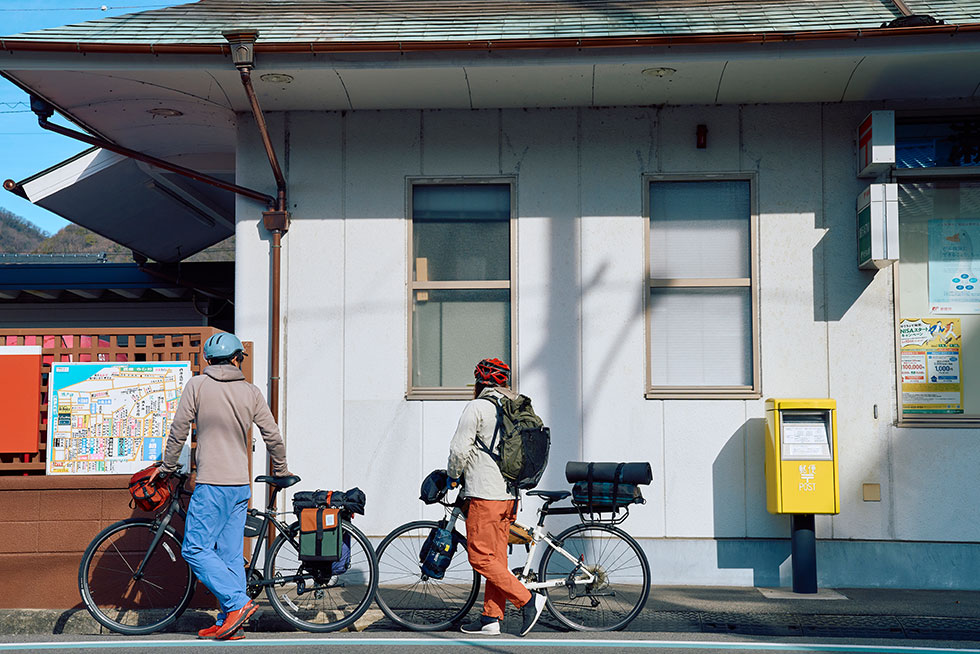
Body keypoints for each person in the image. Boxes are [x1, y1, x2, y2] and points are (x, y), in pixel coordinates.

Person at [149, 332, 291, 641]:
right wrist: (280, 470)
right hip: (240, 485)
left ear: (209, 361)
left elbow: (178, 431)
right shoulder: (250, 392)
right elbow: (273, 437)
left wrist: (167, 467)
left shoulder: (197, 385)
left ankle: (237, 604)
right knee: (229, 555)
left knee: (196, 548)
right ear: (237, 358)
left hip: (212, 483)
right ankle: (232, 620)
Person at [447, 358, 546, 637]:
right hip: (509, 496)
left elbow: (458, 450)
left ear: (480, 382)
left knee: (480, 558)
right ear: (503, 383)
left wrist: (453, 476)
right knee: (496, 559)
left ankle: (527, 599)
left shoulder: (477, 406)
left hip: (484, 494)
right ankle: (491, 618)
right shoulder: (510, 406)